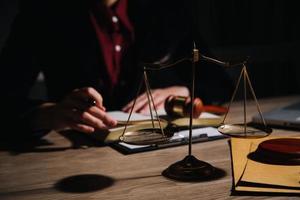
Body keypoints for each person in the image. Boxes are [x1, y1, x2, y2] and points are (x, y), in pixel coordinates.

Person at [0, 0, 232, 139]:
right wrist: (49, 114)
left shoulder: (166, 9)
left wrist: (184, 91)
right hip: (73, 153)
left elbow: (221, 84)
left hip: (155, 152)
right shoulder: (42, 12)